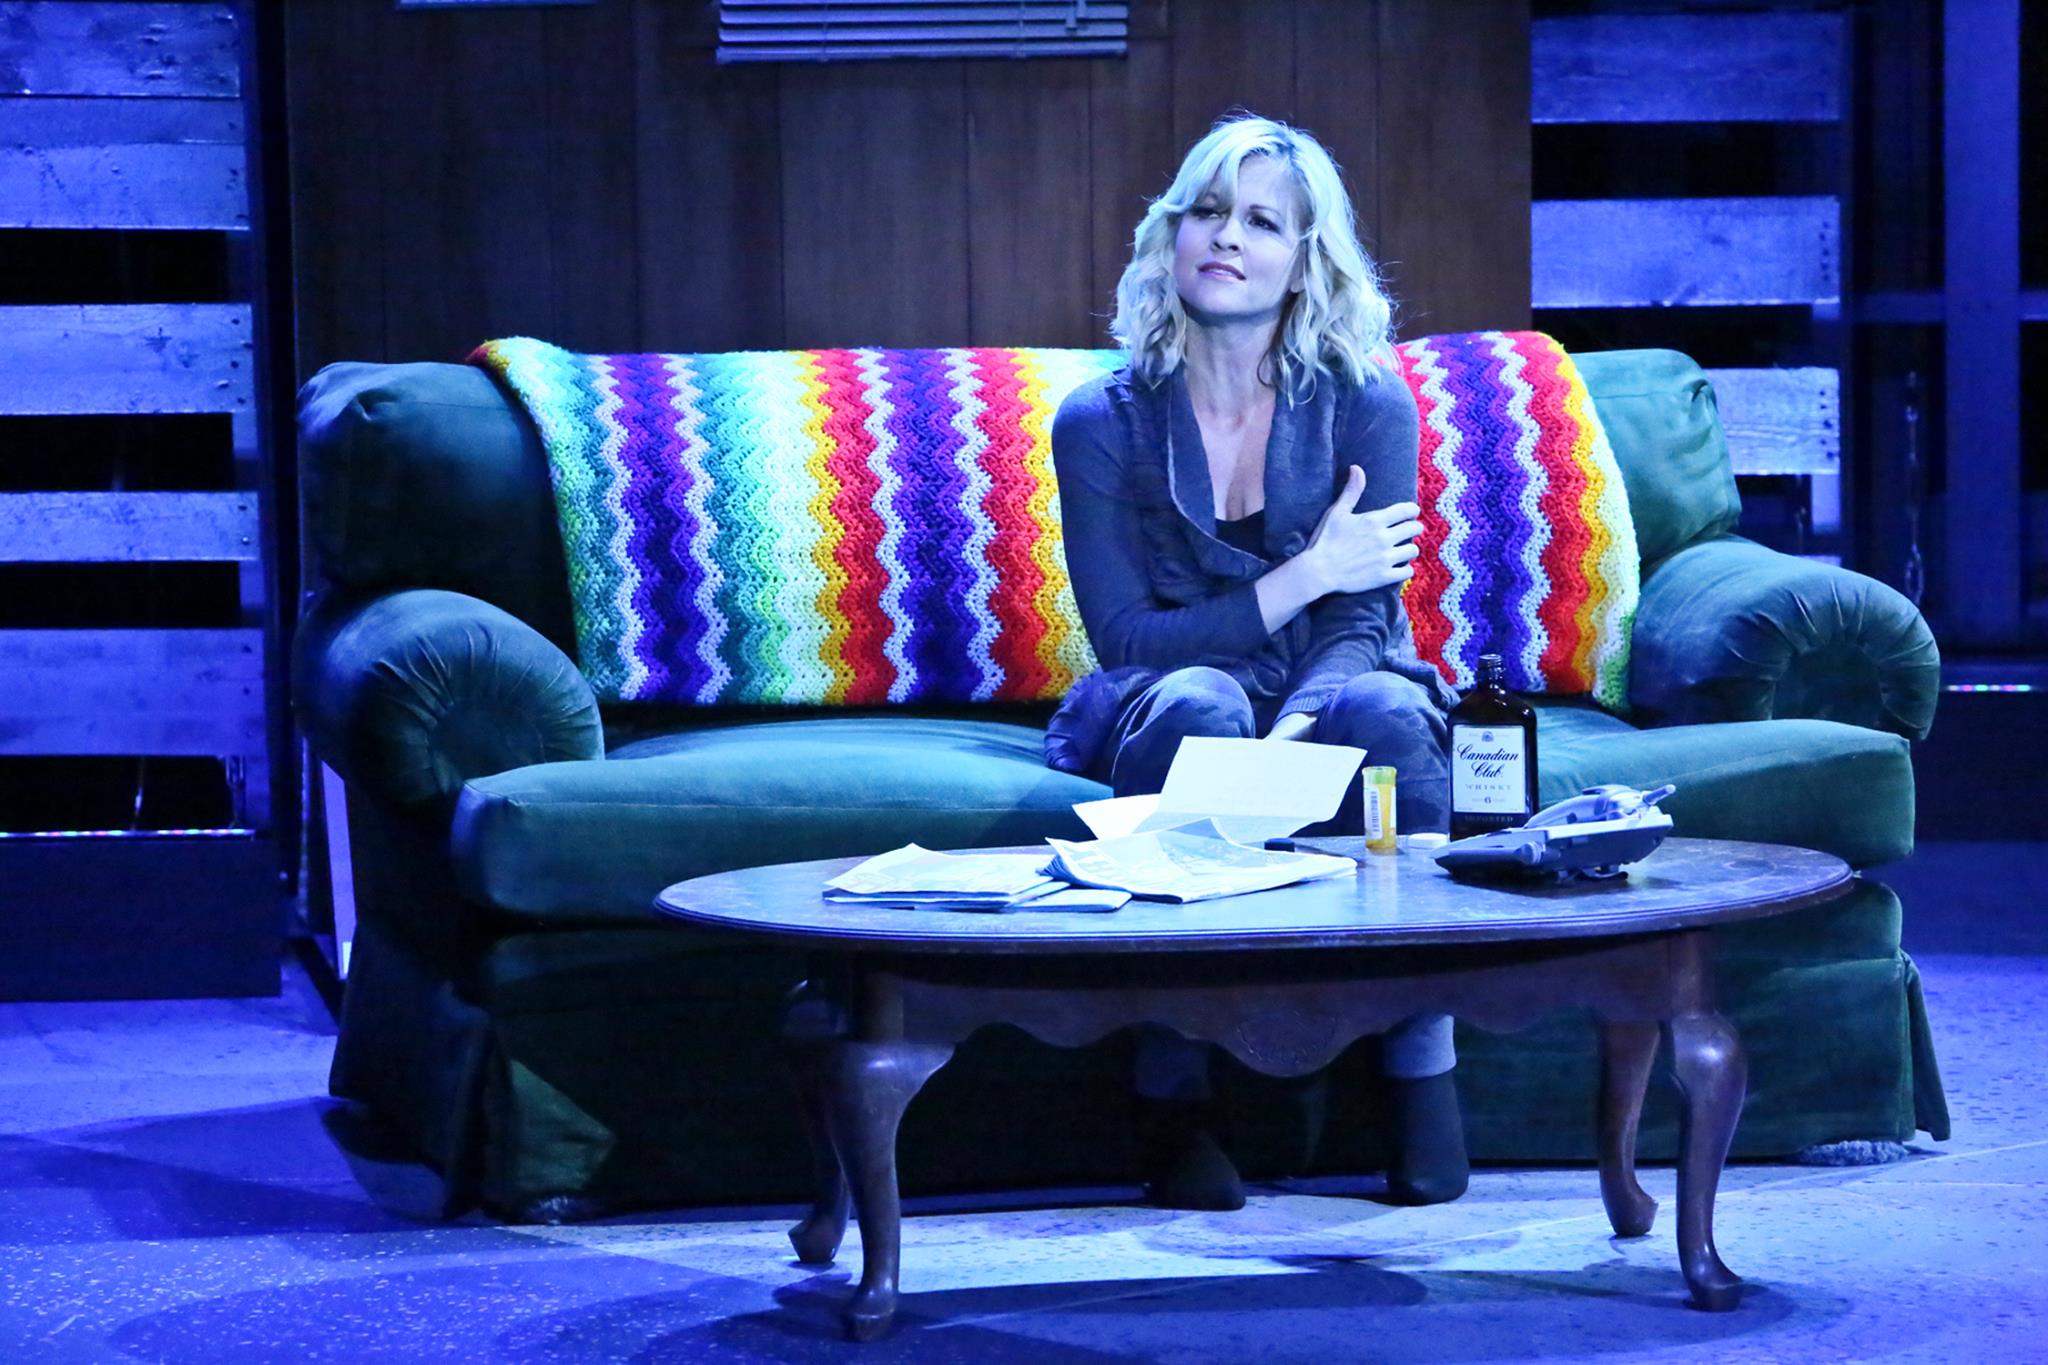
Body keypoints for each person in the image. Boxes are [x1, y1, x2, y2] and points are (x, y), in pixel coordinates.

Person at [1046, 114, 1467, 1212]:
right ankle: (1173, 1091)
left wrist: (1291, 739)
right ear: (1171, 237)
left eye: (1262, 221)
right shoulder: (1099, 420)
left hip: (1332, 681)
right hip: (1173, 693)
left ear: (1304, 261)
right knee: (1197, 701)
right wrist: (1303, 571)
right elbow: (1128, 640)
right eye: (1207, 212)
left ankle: (1419, 1071)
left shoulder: (1366, 402)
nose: (1227, 236)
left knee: (1383, 710)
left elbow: (1360, 619)